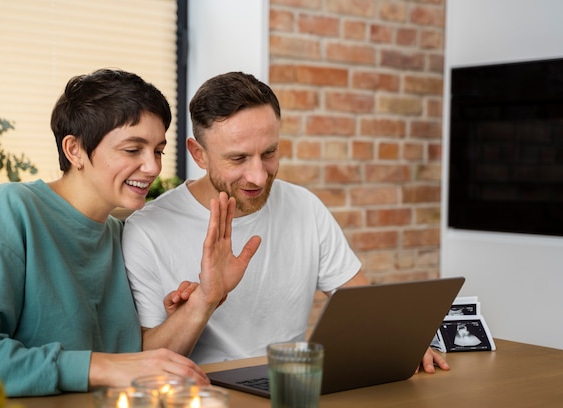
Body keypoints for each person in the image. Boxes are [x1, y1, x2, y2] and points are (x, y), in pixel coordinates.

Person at [0, 69, 260, 397]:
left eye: (158, 150)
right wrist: (102, 366)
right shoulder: (11, 210)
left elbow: (133, 362)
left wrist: (204, 300)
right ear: (75, 150)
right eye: (132, 149)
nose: (153, 167)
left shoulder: (119, 233)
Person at [123, 71, 449, 373]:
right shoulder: (148, 230)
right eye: (238, 158)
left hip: (293, 383)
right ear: (198, 154)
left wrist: (398, 339)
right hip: (207, 395)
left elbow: (360, 304)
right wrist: (205, 299)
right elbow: (148, 361)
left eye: (269, 153)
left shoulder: (304, 207)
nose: (258, 176)